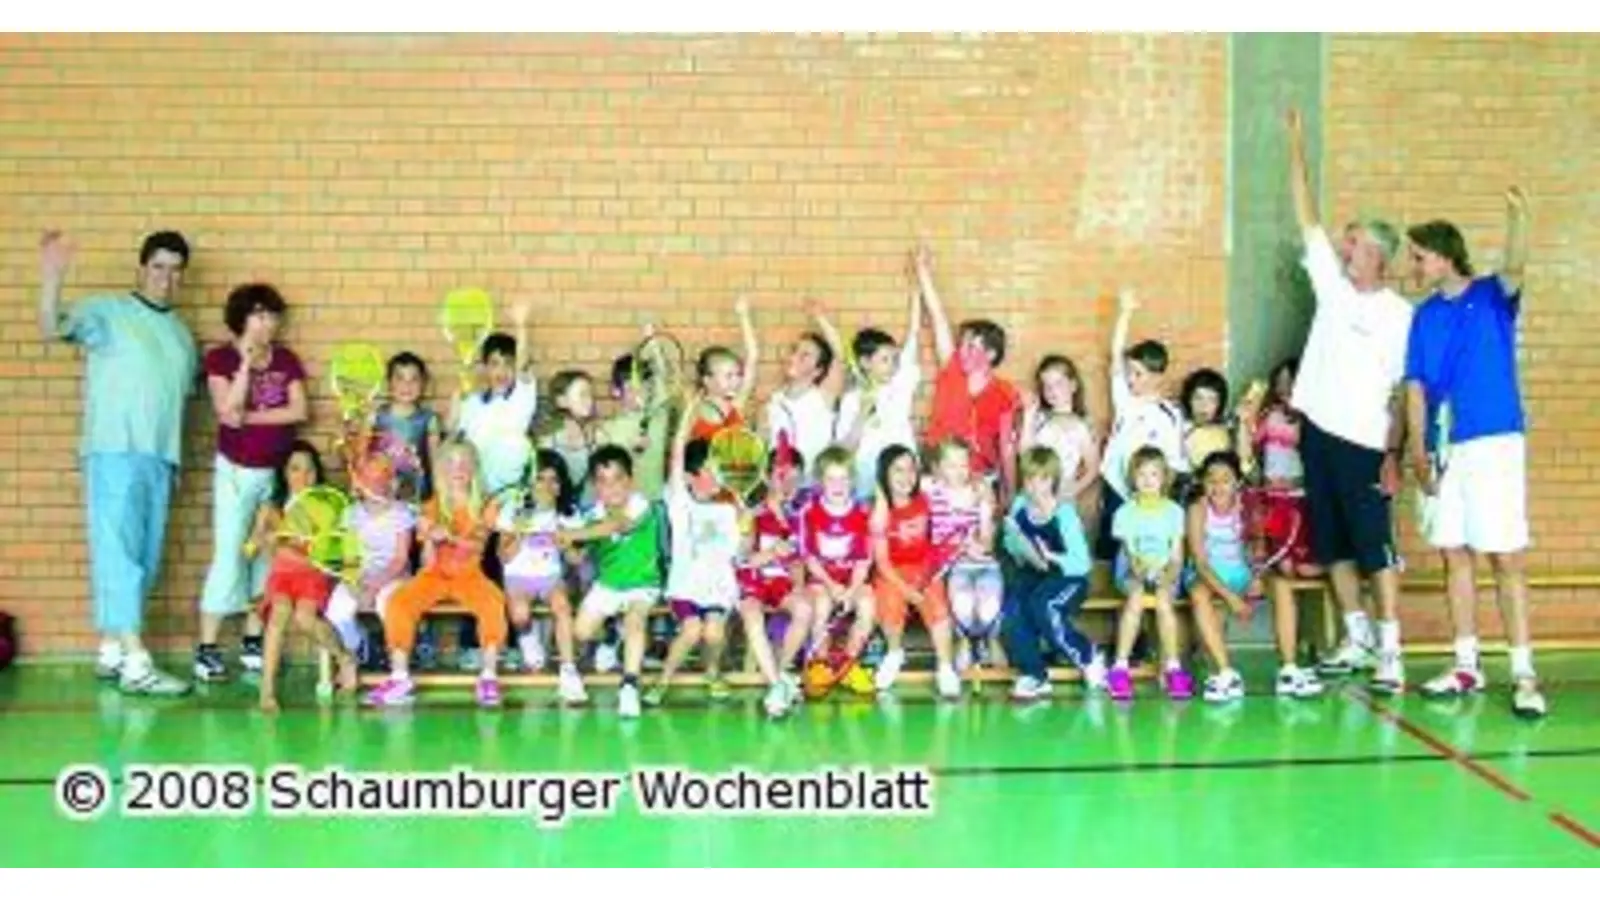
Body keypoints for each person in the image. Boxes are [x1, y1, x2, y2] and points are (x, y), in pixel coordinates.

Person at [1404, 188, 1545, 719]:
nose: (1413, 266)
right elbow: (1415, 385)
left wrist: (1519, 216)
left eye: (1418, 256)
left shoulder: (1491, 294)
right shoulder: (1423, 317)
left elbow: (1516, 262)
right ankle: (1466, 663)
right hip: (1446, 448)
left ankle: (1524, 672)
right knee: (1454, 553)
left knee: (1505, 558)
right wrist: (1418, 450)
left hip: (1495, 441)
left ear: (1443, 254)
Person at [1285, 108, 1413, 693]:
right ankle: (1356, 637)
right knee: (1331, 541)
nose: (1344, 245)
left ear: (1377, 259)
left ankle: (1391, 650)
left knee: (1374, 548)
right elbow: (1307, 216)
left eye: (1355, 242)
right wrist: (1295, 142)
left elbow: (1403, 392)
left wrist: (1395, 455)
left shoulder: (1397, 316)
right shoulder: (1332, 290)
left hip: (1365, 444)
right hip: (1318, 434)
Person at [37, 229, 197, 695]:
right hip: (113, 450)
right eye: (158, 267)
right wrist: (52, 277)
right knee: (119, 556)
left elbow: (173, 403)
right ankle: (137, 662)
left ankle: (110, 648)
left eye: (175, 270)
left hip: (159, 460)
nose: (165, 278)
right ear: (142, 268)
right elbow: (51, 328)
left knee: (142, 561)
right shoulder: (108, 312)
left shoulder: (182, 335)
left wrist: (176, 461)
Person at [196, 283, 309, 683]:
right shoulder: (220, 358)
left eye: (273, 316)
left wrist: (251, 417)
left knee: (267, 555)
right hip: (236, 470)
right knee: (230, 553)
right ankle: (207, 648)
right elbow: (226, 412)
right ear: (242, 318)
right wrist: (245, 365)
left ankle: (252, 640)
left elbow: (299, 409)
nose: (268, 324)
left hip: (274, 474)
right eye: (260, 315)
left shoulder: (287, 359)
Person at [915, 241, 1022, 502]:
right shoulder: (951, 371)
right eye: (962, 344)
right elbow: (939, 319)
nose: (963, 351)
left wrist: (1010, 493)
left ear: (991, 354)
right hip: (938, 472)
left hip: (979, 479)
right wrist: (922, 273)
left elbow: (1007, 448)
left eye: (972, 346)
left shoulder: (1005, 393)